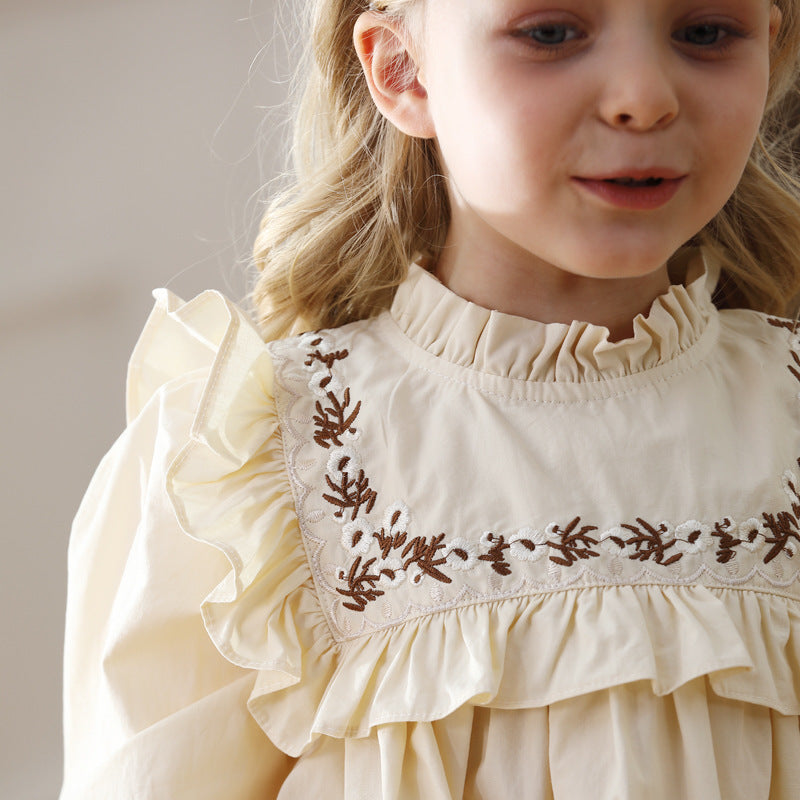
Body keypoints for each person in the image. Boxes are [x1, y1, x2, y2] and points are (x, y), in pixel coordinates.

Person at [60, 0, 800, 797]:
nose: (645, 96)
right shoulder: (245, 470)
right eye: (551, 33)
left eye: (706, 32)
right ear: (401, 70)